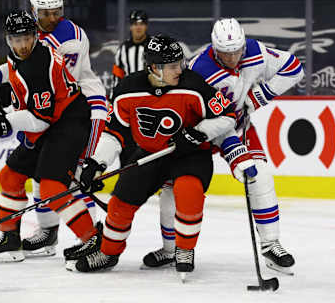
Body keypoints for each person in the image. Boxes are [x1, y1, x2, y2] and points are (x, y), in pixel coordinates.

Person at [63, 35, 257, 277]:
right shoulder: (127, 90)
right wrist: (97, 163)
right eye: (173, 66)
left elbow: (228, 116)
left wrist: (198, 133)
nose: (180, 69)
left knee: (188, 191)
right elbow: (114, 134)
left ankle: (184, 250)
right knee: (119, 203)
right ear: (155, 67)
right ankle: (108, 253)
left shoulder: (194, 84)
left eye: (180, 63)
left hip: (190, 154)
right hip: (150, 154)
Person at [143, 18, 303, 275]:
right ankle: (171, 249)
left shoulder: (255, 50)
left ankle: (271, 244)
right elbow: (201, 115)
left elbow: (294, 68)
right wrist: (231, 148)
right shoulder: (199, 69)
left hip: (238, 125)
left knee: (259, 175)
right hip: (200, 132)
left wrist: (260, 94)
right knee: (174, 190)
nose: (232, 58)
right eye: (225, 54)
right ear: (214, 48)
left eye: (237, 51)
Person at [0, 0, 108, 258]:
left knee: (56, 183)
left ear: (34, 36)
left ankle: (92, 238)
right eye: (46, 13)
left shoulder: (63, 44)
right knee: (11, 176)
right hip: (50, 115)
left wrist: (5, 120)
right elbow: (22, 76)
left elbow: (43, 109)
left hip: (67, 118)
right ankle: (11, 237)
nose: (22, 44)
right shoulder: (26, 46)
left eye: (57, 11)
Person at [111, 10, 150, 99]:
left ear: (146, 26)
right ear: (130, 27)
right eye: (135, 24)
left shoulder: (154, 47)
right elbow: (117, 76)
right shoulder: (123, 50)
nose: (138, 27)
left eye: (141, 24)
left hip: (151, 97)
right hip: (130, 97)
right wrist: (113, 97)